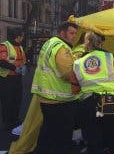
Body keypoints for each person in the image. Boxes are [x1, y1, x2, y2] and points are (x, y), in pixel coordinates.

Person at [71, 31, 114, 154]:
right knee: (113, 138)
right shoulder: (110, 57)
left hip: (89, 104)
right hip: (108, 102)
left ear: (86, 44)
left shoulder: (77, 62)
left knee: (93, 139)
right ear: (100, 43)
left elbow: (74, 89)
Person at [31, 22, 78, 154]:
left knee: (47, 132)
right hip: (59, 99)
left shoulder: (50, 43)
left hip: (46, 96)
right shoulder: (62, 48)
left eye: (75, 33)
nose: (74, 36)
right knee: (63, 135)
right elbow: (69, 73)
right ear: (62, 33)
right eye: (71, 33)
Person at [0, 28, 26, 130]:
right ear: (17, 37)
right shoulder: (5, 45)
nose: (22, 38)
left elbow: (22, 60)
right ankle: (8, 123)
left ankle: (15, 120)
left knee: (17, 99)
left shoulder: (20, 46)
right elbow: (1, 62)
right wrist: (15, 68)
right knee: (7, 101)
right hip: (6, 78)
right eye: (21, 36)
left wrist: (23, 67)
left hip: (17, 77)